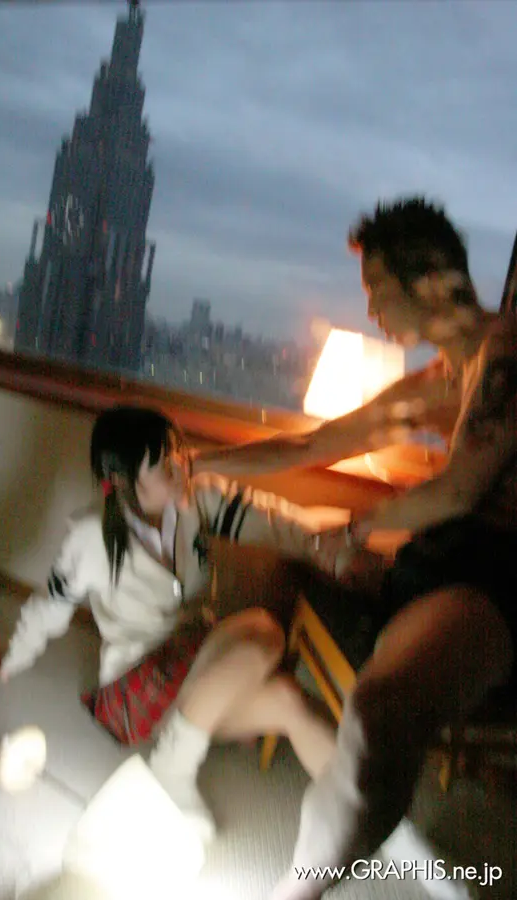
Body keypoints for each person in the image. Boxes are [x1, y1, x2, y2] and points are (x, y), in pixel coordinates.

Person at [203, 197, 517, 898]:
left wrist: (354, 530)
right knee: (286, 544)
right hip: (438, 560)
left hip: (497, 581)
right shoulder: (439, 380)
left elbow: (460, 492)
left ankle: (300, 885)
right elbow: (315, 443)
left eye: (378, 288)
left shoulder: (507, 351)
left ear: (431, 281)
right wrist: (201, 464)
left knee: (380, 710)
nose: (371, 307)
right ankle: (234, 707)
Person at [0, 405, 336, 845]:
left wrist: (329, 541)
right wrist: (15, 657)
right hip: (141, 682)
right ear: (121, 481)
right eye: (161, 463)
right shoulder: (91, 536)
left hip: (198, 667)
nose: (179, 467)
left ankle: (373, 819)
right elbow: (49, 606)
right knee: (263, 631)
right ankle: (173, 767)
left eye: (177, 454)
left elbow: (269, 519)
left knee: (288, 699)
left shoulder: (195, 500)